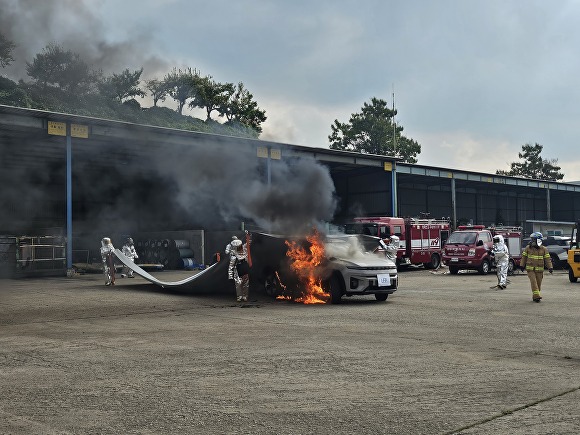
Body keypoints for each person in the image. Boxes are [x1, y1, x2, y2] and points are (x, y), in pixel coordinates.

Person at [520, 232, 553, 302]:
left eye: (533, 239)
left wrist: (550, 267)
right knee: (534, 282)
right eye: (532, 239)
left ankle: (535, 296)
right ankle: (537, 296)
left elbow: (547, 259)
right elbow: (524, 257)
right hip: (530, 269)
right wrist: (522, 265)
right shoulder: (528, 248)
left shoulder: (544, 249)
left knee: (538, 284)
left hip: (539, 270)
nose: (532, 241)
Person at [228, 233, 251, 302]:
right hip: (237, 271)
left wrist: (248, 236)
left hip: (243, 270)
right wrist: (230, 276)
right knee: (239, 284)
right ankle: (240, 297)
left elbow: (248, 243)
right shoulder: (234, 255)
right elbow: (231, 266)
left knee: (244, 284)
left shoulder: (244, 250)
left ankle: (244, 296)